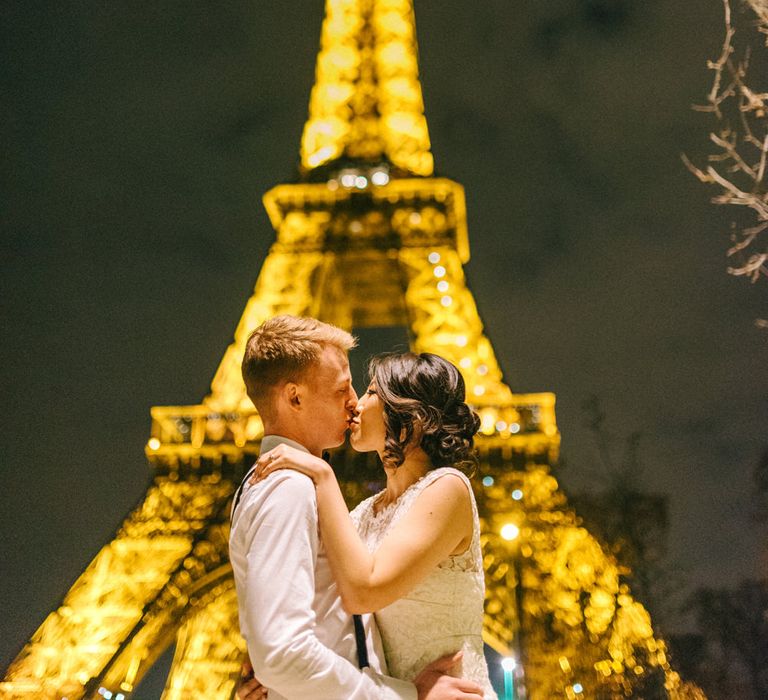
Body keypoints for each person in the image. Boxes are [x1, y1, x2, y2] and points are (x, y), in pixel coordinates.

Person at [230, 315, 485, 700]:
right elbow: (304, 623)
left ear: (412, 416)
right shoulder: (355, 509)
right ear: (295, 396)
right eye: (348, 389)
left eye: (366, 392)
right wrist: (272, 668)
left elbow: (360, 594)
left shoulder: (446, 488)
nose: (354, 404)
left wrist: (323, 475)